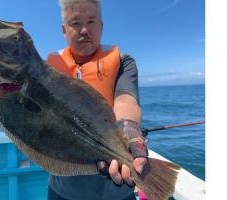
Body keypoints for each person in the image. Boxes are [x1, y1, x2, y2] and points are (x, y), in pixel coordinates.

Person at [46, 0, 148, 199]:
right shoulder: (48, 69)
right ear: (64, 30)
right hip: (63, 189)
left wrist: (130, 131)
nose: (84, 30)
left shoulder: (123, 62)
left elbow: (126, 100)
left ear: (101, 26)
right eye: (75, 22)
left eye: (91, 22)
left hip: (116, 190)